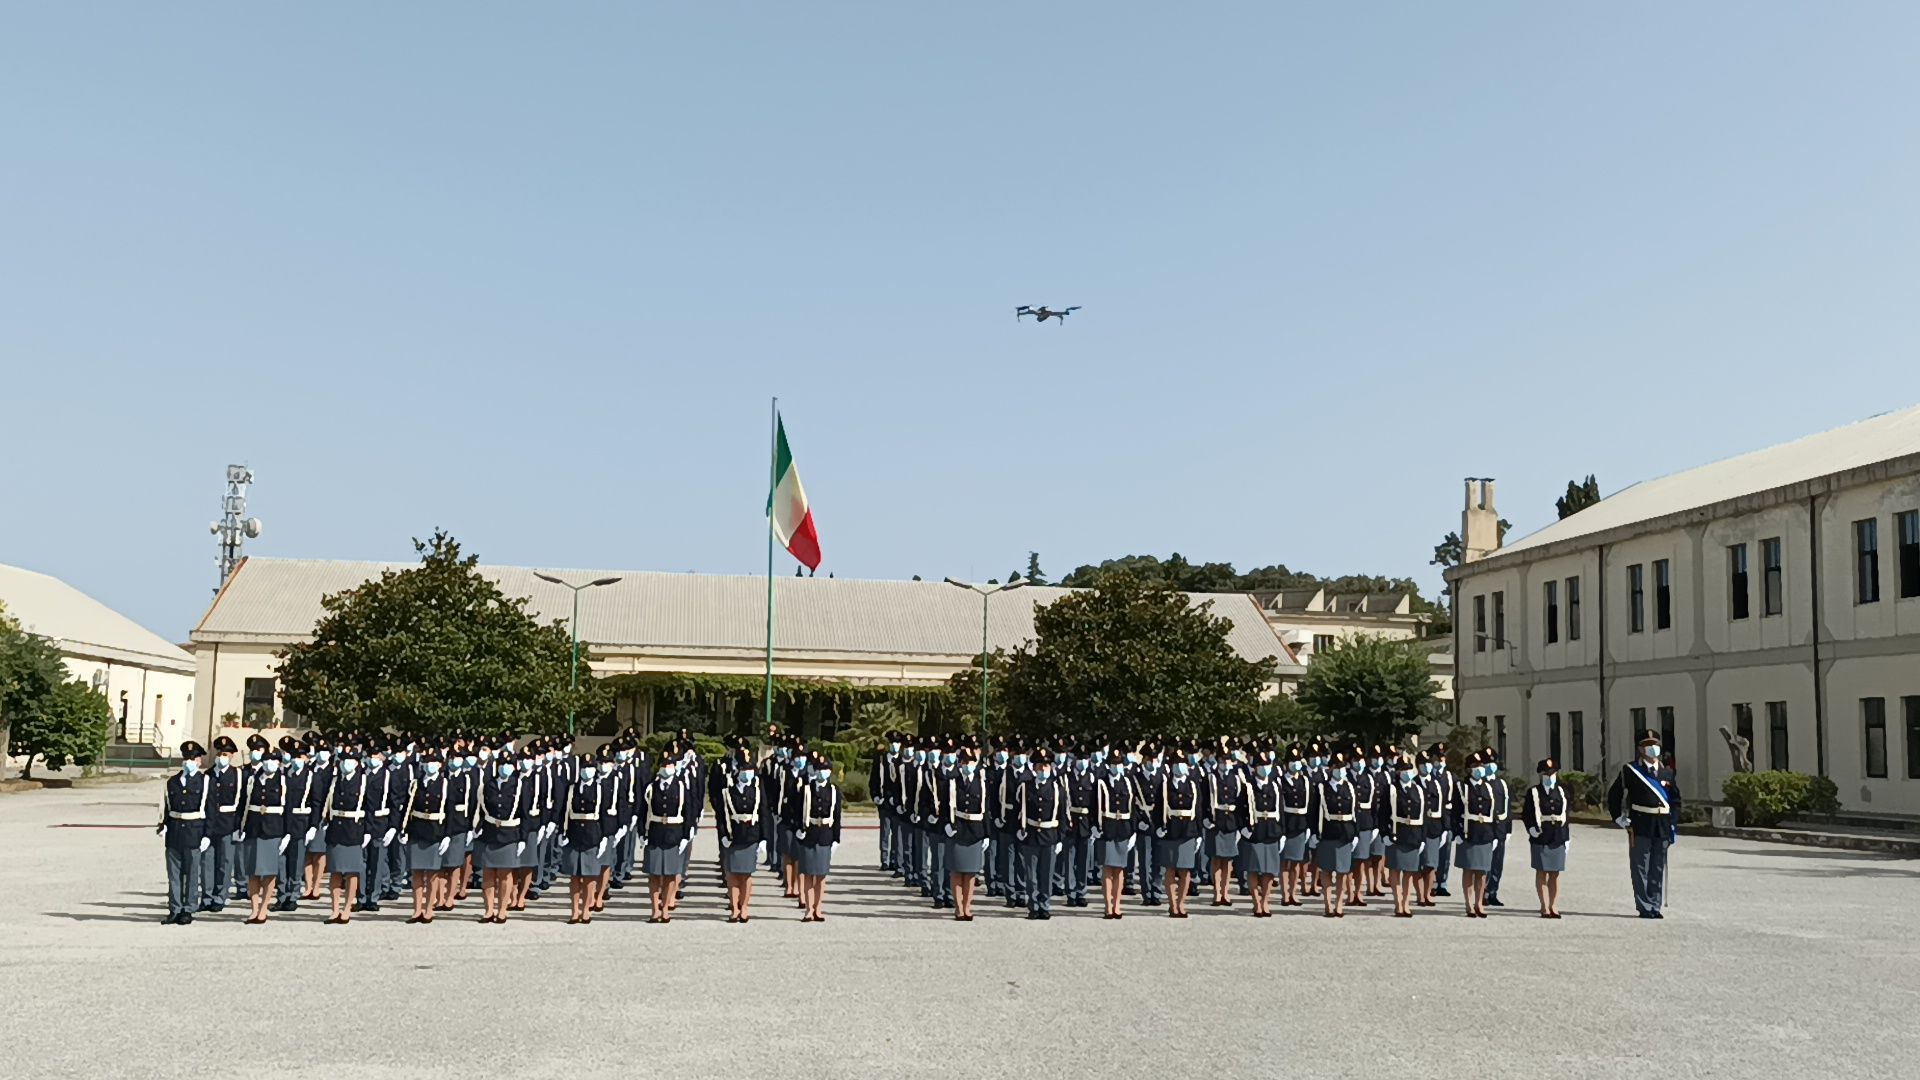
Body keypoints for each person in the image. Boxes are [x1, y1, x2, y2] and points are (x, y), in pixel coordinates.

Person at [1606, 730, 1682, 919]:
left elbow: (1676, 800)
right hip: (1640, 823)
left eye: (1655, 744)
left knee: (1657, 866)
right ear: (1640, 749)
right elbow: (1614, 795)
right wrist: (1618, 818)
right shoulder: (1630, 770)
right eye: (1648, 745)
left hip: (1662, 824)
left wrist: (1673, 822)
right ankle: (1644, 905)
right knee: (1641, 866)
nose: (1652, 748)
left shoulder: (1667, 772)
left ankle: (1655, 905)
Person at [157, 741, 210, 925]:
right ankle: (175, 908)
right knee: (174, 874)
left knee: (191, 873)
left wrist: (207, 834)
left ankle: (188, 908)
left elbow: (210, 810)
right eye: (186, 758)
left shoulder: (205, 781)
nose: (189, 761)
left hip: (194, 831)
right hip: (175, 832)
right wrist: (163, 825)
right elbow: (166, 807)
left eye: (193, 758)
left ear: (199, 761)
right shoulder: (172, 781)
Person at [238, 748, 291, 924]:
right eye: (267, 760)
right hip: (254, 828)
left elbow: (288, 809)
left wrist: (287, 833)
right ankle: (254, 909)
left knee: (269, 872)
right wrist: (241, 827)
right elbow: (244, 804)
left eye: (274, 760)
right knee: (252, 872)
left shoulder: (283, 781)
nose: (270, 763)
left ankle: (264, 908)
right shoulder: (253, 779)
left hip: (273, 830)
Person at [1014, 747, 1067, 921]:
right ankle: (1033, 905)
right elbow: (1017, 811)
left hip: (1049, 835)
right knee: (1031, 875)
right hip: (1030, 834)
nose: (1043, 769)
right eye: (1040, 766)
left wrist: (1060, 838)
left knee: (1046, 873)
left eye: (1046, 766)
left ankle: (1045, 905)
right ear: (1034, 768)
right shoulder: (1025, 788)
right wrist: (1018, 830)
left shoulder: (1057, 789)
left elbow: (1062, 815)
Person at [642, 745, 693, 924]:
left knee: (671, 873)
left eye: (670, 765)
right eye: (664, 766)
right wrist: (642, 833)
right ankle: (655, 909)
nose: (666, 769)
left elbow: (688, 811)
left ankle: (665, 908)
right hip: (655, 832)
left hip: (674, 833)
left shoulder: (681, 787)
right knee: (654, 874)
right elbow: (644, 811)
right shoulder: (651, 787)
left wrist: (687, 834)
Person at [716, 754, 769, 923]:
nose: (746, 774)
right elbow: (722, 817)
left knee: (746, 875)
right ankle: (734, 907)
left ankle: (744, 907)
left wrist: (764, 838)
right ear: (737, 772)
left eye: (750, 771)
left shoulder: (758, 792)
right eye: (743, 771)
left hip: (751, 836)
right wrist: (723, 835)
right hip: (734, 836)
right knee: (732, 875)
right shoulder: (727, 792)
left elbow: (764, 815)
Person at [321, 745, 371, 924]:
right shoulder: (334, 781)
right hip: (336, 829)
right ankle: (334, 909)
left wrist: (369, 832)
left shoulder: (364, 781)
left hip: (353, 830)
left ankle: (347, 908)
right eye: (343, 760)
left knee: (351, 872)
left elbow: (370, 808)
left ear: (357, 763)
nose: (346, 764)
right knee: (335, 872)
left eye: (350, 760)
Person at [476, 750, 527, 924]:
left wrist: (523, 838)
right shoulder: (487, 785)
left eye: (509, 764)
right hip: (490, 832)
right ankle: (488, 910)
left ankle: (502, 910)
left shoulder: (519, 785)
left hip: (509, 833)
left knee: (505, 875)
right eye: (502, 764)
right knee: (488, 874)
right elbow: (480, 810)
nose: (505, 767)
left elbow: (524, 813)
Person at [940, 748, 992, 921]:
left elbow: (986, 810)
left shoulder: (982, 783)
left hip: (975, 831)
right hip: (957, 828)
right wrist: (946, 825)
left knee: (970, 873)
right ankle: (958, 907)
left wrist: (986, 834)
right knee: (956, 872)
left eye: (969, 762)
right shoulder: (952, 782)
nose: (966, 765)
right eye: (963, 762)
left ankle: (968, 907)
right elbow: (944, 806)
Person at [401, 750, 453, 923]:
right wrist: (404, 830)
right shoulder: (416, 784)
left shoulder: (445, 784)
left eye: (434, 762)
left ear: (440, 765)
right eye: (427, 762)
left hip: (435, 831)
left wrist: (447, 835)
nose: (430, 765)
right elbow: (407, 807)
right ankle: (416, 910)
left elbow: (450, 812)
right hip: (417, 829)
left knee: (432, 874)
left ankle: (429, 909)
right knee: (416, 872)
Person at [1150, 750, 1202, 918]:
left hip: (1188, 830)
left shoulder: (1193, 785)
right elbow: (1158, 808)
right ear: (1171, 767)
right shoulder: (1164, 785)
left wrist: (1199, 832)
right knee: (1170, 869)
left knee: (1186, 870)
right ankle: (1172, 905)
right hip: (1170, 829)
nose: (1180, 767)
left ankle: (1181, 903)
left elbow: (1198, 809)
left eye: (1182, 763)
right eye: (1176, 764)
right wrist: (1158, 826)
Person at [1308, 751, 1360, 918]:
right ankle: (1328, 904)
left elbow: (1355, 812)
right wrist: (1314, 833)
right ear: (1331, 769)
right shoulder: (1321, 788)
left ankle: (1339, 904)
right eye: (1337, 767)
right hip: (1328, 832)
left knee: (1343, 871)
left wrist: (1356, 833)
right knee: (1327, 870)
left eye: (1343, 767)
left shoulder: (1350, 787)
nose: (1340, 770)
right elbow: (1314, 812)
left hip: (1345, 833)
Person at [560, 754, 608, 924]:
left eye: (589, 768)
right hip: (574, 834)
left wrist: (604, 838)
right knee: (574, 876)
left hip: (592, 833)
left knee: (589, 876)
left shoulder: (600, 788)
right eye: (584, 768)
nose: (586, 771)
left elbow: (604, 814)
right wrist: (562, 832)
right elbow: (563, 810)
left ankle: (586, 909)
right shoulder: (571, 788)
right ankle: (574, 910)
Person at [794, 757, 842, 922]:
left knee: (821, 875)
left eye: (826, 769)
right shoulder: (807, 790)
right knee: (808, 874)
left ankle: (818, 908)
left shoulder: (834, 791)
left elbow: (837, 816)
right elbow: (797, 811)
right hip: (809, 833)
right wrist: (798, 830)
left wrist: (836, 838)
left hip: (825, 835)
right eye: (820, 769)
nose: (823, 772)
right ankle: (808, 909)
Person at [1523, 757, 1570, 918]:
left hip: (1558, 835)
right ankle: (1544, 905)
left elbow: (1566, 814)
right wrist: (1531, 829)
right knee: (1542, 872)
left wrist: (1567, 838)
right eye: (1547, 773)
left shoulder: (1562, 791)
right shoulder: (1534, 792)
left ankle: (1554, 905)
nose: (1550, 776)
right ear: (1541, 774)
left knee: (1555, 873)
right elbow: (1527, 814)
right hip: (1541, 834)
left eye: (1553, 773)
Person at [1452, 752, 1498, 918]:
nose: (1479, 769)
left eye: (1480, 766)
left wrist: (1495, 834)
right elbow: (1455, 812)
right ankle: (1468, 904)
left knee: (1482, 871)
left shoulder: (1488, 787)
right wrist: (1456, 832)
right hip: (1468, 832)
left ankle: (1479, 903)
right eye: (1475, 766)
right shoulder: (1461, 787)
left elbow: (1493, 813)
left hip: (1485, 832)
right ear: (1468, 769)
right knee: (1469, 870)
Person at [201, 735, 243, 913]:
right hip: (210, 825)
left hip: (228, 823)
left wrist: (239, 826)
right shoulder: (208, 775)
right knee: (208, 862)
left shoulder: (238, 774)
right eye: (219, 753)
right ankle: (207, 896)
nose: (222, 757)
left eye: (225, 754)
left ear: (232, 755)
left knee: (225, 862)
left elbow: (242, 803)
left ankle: (220, 896)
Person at [1240, 750, 1283, 917]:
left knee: (1269, 870)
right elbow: (1241, 809)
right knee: (1253, 869)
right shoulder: (1248, 786)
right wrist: (1243, 829)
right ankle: (1256, 902)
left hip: (1271, 830)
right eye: (1261, 765)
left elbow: (1280, 809)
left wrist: (1282, 831)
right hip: (1254, 831)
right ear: (1255, 768)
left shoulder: (1275, 786)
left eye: (1267, 765)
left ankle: (1265, 901)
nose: (1265, 768)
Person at [1385, 754, 1428, 917]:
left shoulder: (1418, 789)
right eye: (1403, 769)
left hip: (1413, 835)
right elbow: (1383, 814)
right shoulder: (1391, 789)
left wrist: (1423, 838)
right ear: (1397, 772)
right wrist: (1384, 834)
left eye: (1409, 769)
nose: (1406, 772)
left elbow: (1424, 816)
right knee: (1395, 871)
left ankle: (1406, 903)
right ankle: (1398, 903)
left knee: (1409, 872)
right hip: (1397, 833)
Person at [277, 737, 318, 912]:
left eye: (300, 757)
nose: (296, 760)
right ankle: (281, 895)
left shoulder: (311, 776)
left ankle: (293, 895)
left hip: (300, 823)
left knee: (295, 861)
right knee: (281, 862)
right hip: (282, 822)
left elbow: (316, 802)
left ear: (306, 758)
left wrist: (313, 826)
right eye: (294, 756)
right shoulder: (284, 774)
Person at [1204, 747, 1247, 907]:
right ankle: (1217, 893)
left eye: (1228, 760)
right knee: (1216, 859)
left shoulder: (1236, 778)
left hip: (1231, 821)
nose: (1226, 763)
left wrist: (1240, 824)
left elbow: (1241, 803)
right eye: (1223, 760)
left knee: (1227, 860)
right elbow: (1204, 800)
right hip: (1216, 821)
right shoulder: (1211, 778)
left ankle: (1226, 892)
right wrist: (1206, 819)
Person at [1061, 748, 1098, 909]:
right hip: (1071, 822)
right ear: (1074, 760)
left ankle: (1081, 891)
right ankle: (1071, 892)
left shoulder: (1092, 778)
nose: (1083, 762)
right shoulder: (1066, 778)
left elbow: (1096, 803)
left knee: (1084, 860)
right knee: (1069, 859)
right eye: (1080, 759)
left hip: (1086, 824)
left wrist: (1096, 824)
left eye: (1086, 759)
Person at [1277, 745, 1312, 908]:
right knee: (1285, 862)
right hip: (1286, 824)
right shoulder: (1280, 781)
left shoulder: (1304, 780)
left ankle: (1294, 893)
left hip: (1300, 824)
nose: (1295, 764)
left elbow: (1310, 805)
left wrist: (1310, 827)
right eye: (1292, 761)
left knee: (1297, 862)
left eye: (1297, 761)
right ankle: (1285, 894)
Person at [1482, 746, 1511, 908]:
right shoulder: (1480, 784)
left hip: (1499, 830)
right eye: (1486, 763)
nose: (1489, 766)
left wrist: (1509, 830)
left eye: (1491, 763)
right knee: (1484, 864)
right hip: (1485, 829)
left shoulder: (1501, 784)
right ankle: (1482, 893)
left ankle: (1493, 892)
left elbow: (1507, 808)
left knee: (1497, 864)